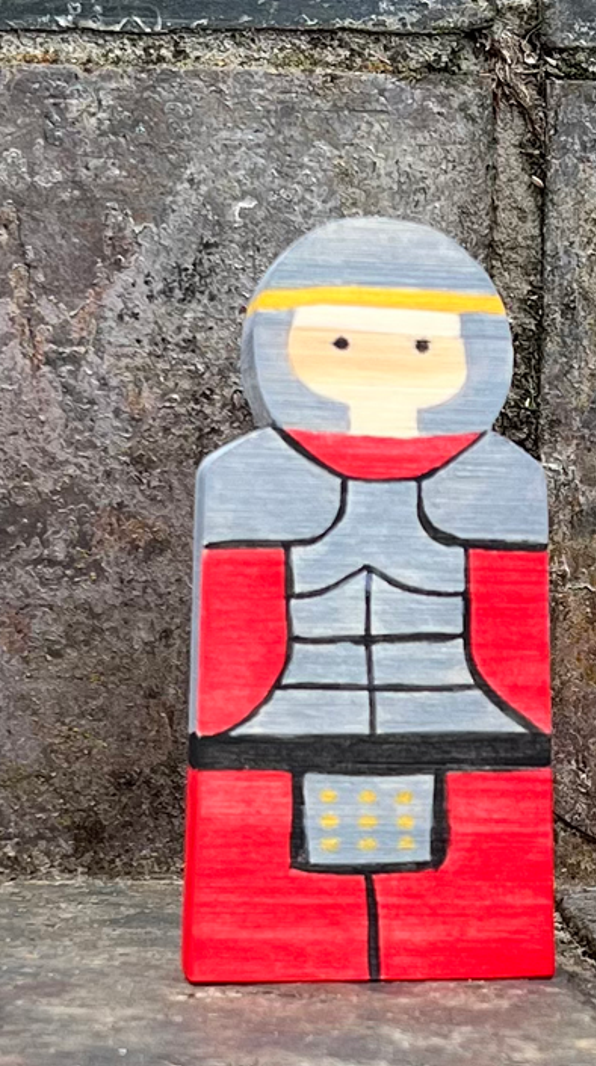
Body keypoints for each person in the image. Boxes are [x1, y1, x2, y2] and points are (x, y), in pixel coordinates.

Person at [183, 218, 552, 983]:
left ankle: (466, 938)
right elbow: (236, 640)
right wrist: (227, 741)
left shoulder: (501, 485)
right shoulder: (249, 482)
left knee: (462, 905)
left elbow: (510, 639)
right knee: (280, 910)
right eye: (338, 344)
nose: (382, 363)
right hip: (284, 721)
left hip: (465, 721)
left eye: (425, 345)